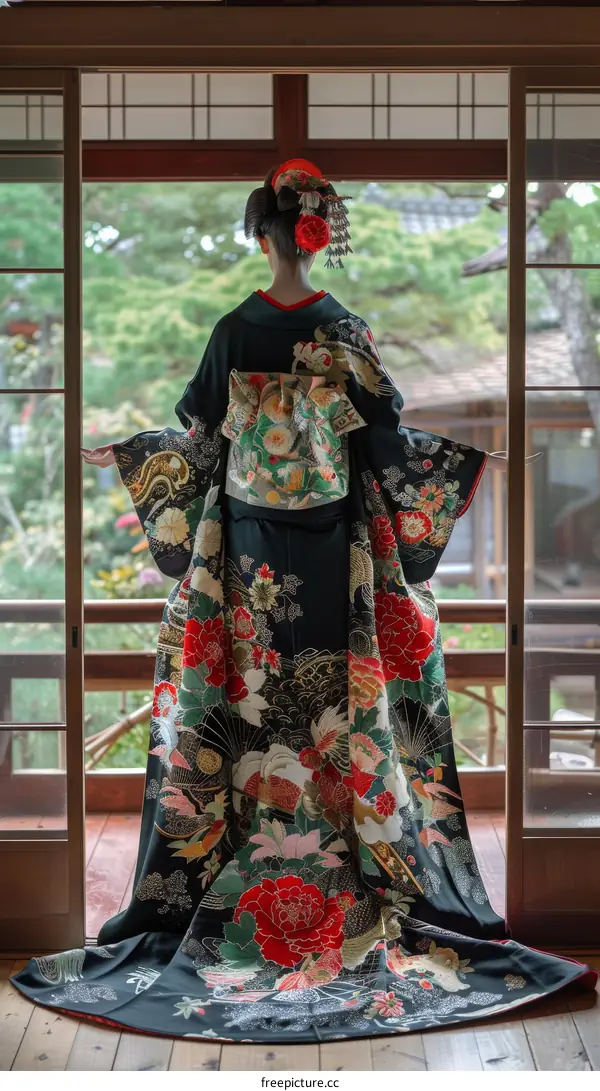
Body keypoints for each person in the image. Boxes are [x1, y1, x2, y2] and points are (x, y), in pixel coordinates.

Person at [11, 159, 595, 1043]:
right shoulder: (342, 329)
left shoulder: (233, 331)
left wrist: (136, 455)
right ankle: (342, 865)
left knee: (249, 711)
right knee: (332, 711)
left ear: (262, 234)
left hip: (249, 560)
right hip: (330, 560)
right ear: (320, 233)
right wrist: (469, 465)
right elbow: (389, 445)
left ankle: (245, 869)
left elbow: (201, 442)